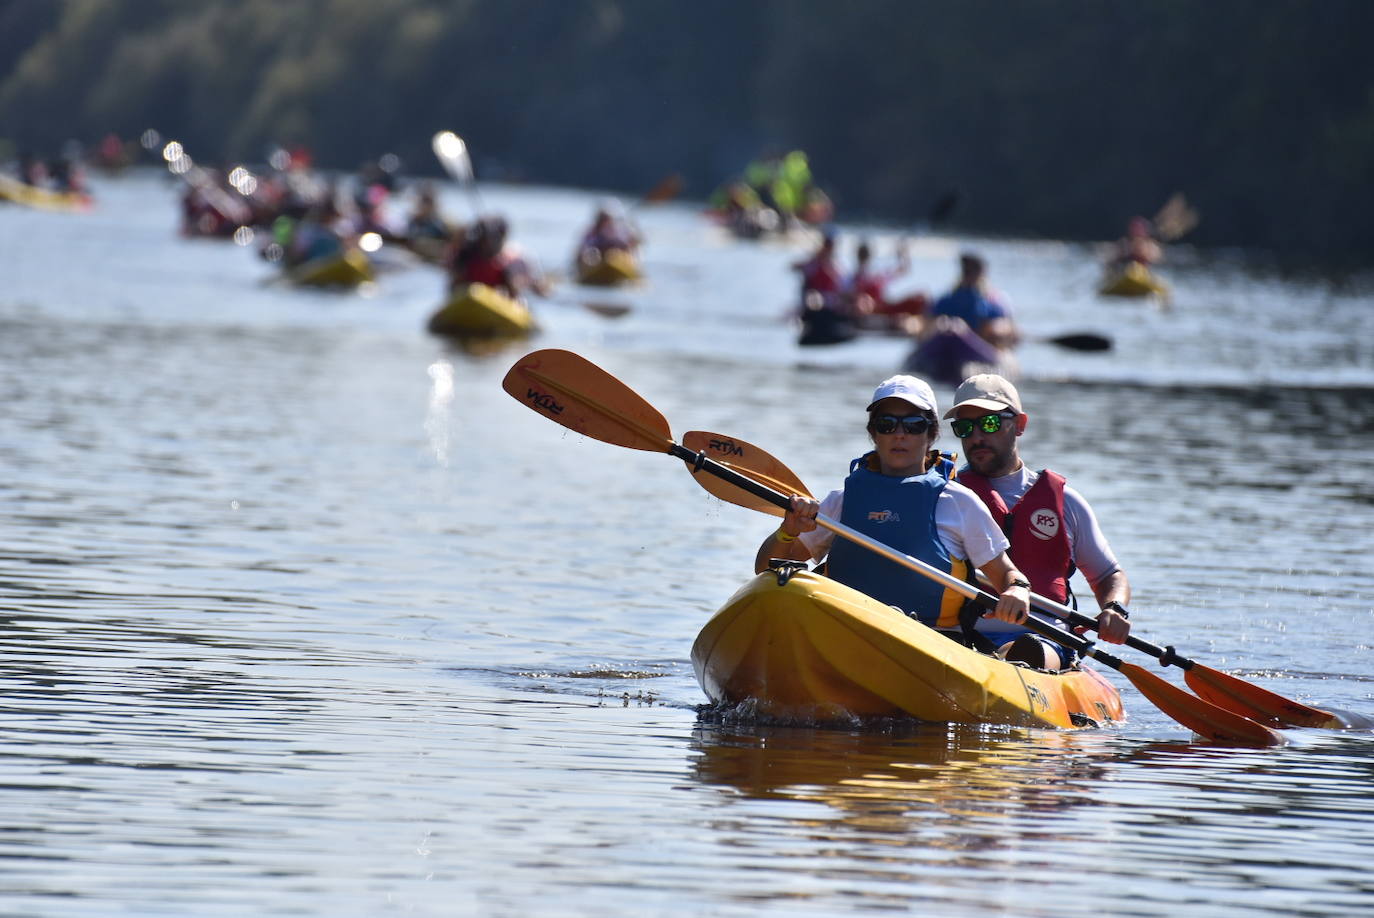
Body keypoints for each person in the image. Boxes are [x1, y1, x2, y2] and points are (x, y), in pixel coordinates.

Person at [755, 374, 1050, 665]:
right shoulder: (841, 501)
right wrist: (787, 532)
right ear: (874, 433)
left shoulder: (958, 503)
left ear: (930, 434)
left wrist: (1016, 590)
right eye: (887, 424)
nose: (899, 434)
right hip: (847, 634)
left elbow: (1006, 574)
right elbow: (765, 571)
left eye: (913, 425)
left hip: (934, 646)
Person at [943, 373, 1132, 669]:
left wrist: (1115, 608)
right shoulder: (946, 496)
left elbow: (1109, 574)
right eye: (964, 428)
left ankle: (1012, 665)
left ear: (1020, 424)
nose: (977, 437)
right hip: (960, 636)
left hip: (1043, 640)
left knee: (1027, 651)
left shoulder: (1066, 502)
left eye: (989, 423)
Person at [928, 252, 1019, 350]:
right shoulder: (948, 301)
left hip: (979, 342)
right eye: (969, 272)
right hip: (953, 340)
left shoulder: (988, 303)